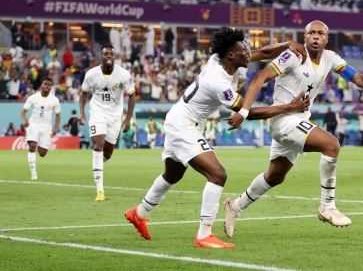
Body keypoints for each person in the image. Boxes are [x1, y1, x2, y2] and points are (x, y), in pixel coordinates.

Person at [222, 21, 363, 238]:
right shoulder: (293, 56)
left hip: (299, 120)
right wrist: (245, 112)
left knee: (275, 176)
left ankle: (234, 206)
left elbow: (358, 78)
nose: (315, 36)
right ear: (304, 36)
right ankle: (327, 206)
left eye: (320, 33)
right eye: (311, 32)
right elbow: (259, 78)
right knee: (331, 144)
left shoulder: (330, 58)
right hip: (282, 120)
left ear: (326, 38)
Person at [124, 28, 310, 249]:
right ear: (232, 55)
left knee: (172, 174)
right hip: (183, 126)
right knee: (217, 174)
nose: (248, 52)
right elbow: (247, 112)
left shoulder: (221, 58)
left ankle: (139, 212)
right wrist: (289, 107)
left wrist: (286, 44)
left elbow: (261, 52)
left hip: (179, 119)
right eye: (244, 50)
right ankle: (204, 234)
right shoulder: (219, 83)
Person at [79, 44, 136, 202]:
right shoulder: (91, 74)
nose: (109, 56)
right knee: (98, 144)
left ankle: (98, 163)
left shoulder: (123, 74)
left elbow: (132, 95)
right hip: (97, 113)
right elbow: (83, 93)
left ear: (115, 56)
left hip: (114, 116)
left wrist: (128, 118)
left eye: (111, 54)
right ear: (101, 57)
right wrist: (82, 112)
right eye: (106, 54)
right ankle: (100, 190)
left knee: (107, 153)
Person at [20, 77, 61, 180]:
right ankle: (33, 173)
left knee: (42, 153)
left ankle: (38, 143)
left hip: (46, 128)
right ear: (41, 85)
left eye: (49, 85)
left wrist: (56, 127)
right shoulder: (33, 97)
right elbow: (23, 112)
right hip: (33, 125)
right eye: (45, 84)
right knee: (32, 146)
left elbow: (57, 115)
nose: (47, 86)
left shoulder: (55, 100)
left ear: (51, 87)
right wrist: (25, 120)